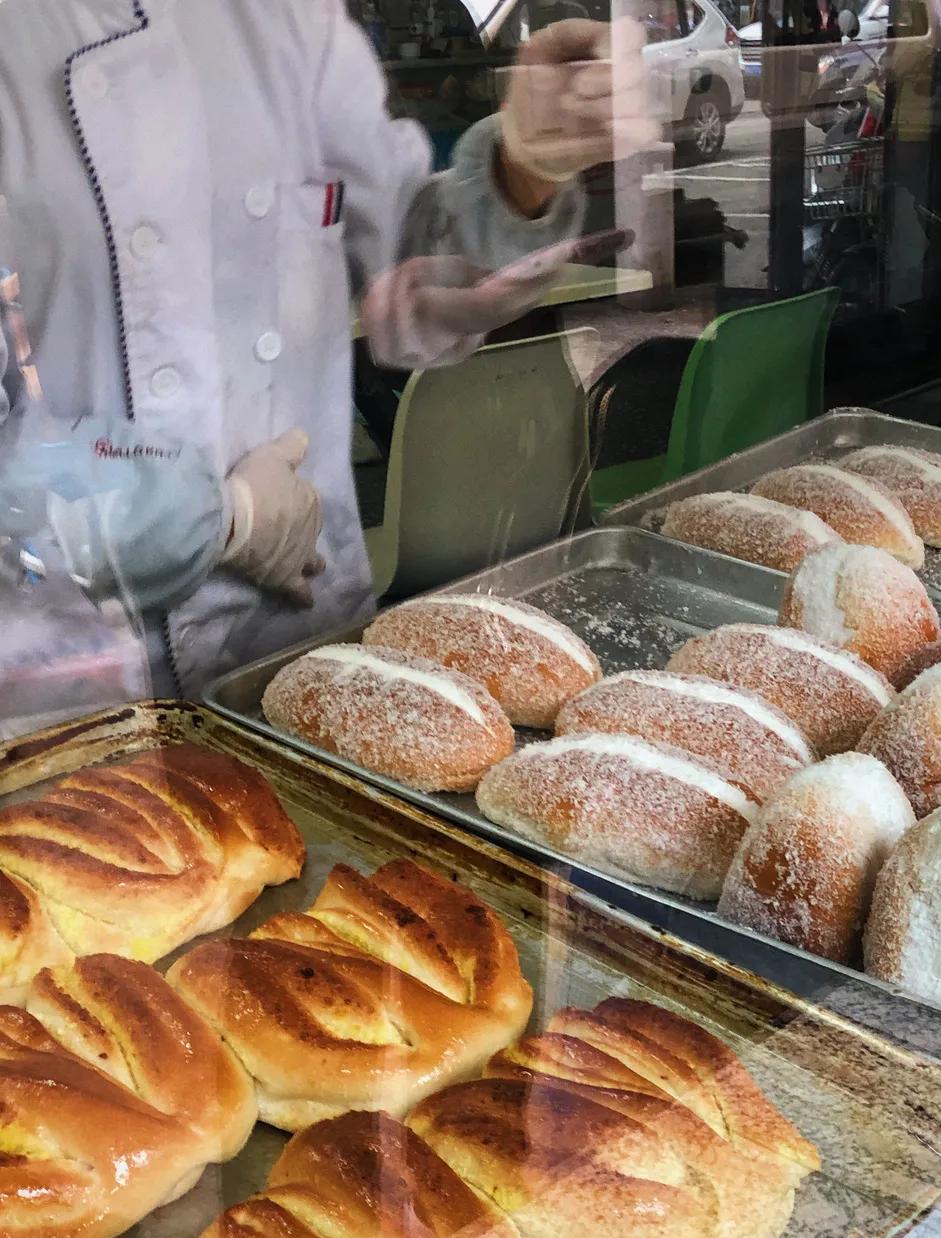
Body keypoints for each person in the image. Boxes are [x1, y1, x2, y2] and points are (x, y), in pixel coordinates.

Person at [0, 0, 652, 736]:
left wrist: (519, 172)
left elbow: (406, 282)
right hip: (60, 687)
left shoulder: (287, 23)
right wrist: (215, 523)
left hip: (296, 653)